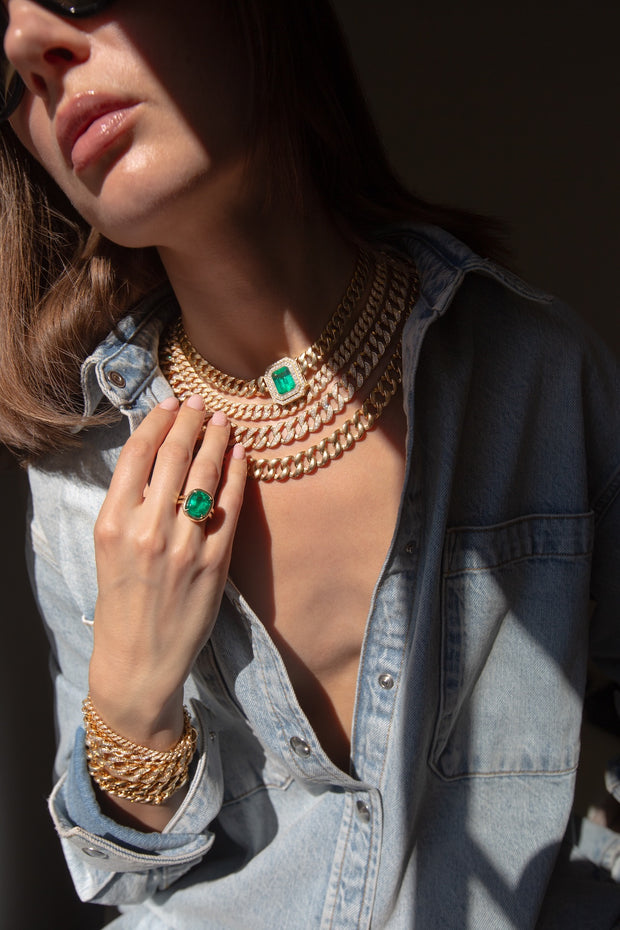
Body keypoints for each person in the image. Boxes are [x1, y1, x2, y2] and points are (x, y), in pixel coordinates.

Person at [0, 1, 619, 927]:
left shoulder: (540, 379)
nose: (30, 51)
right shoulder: (81, 485)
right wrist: (131, 701)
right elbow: (124, 878)